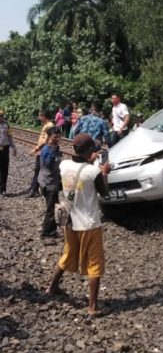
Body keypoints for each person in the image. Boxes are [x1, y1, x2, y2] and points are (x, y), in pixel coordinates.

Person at [46, 133, 110, 316]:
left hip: (70, 221)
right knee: (94, 262)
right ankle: (93, 307)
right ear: (89, 151)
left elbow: (76, 172)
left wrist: (90, 161)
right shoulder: (93, 172)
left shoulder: (64, 165)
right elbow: (105, 193)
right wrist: (105, 173)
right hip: (89, 224)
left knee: (68, 253)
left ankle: (52, 287)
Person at [38, 127, 61, 239]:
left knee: (53, 206)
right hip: (48, 183)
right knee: (50, 209)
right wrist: (53, 150)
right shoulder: (47, 150)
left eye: (59, 137)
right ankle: (46, 233)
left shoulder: (56, 148)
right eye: (55, 137)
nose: (58, 139)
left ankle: (51, 230)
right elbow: (48, 164)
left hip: (54, 181)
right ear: (49, 137)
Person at [29, 110, 54, 197]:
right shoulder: (47, 125)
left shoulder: (49, 126)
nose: (39, 118)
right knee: (38, 170)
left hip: (44, 152)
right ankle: (34, 188)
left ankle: (35, 189)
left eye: (40, 116)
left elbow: (46, 141)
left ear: (44, 116)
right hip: (42, 151)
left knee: (40, 170)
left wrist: (36, 150)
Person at [0, 109, 17, 196]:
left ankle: (2, 189)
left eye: (2, 116)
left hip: (5, 149)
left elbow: (10, 137)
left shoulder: (7, 125)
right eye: (0, 116)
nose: (1, 117)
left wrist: (14, 147)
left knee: (4, 169)